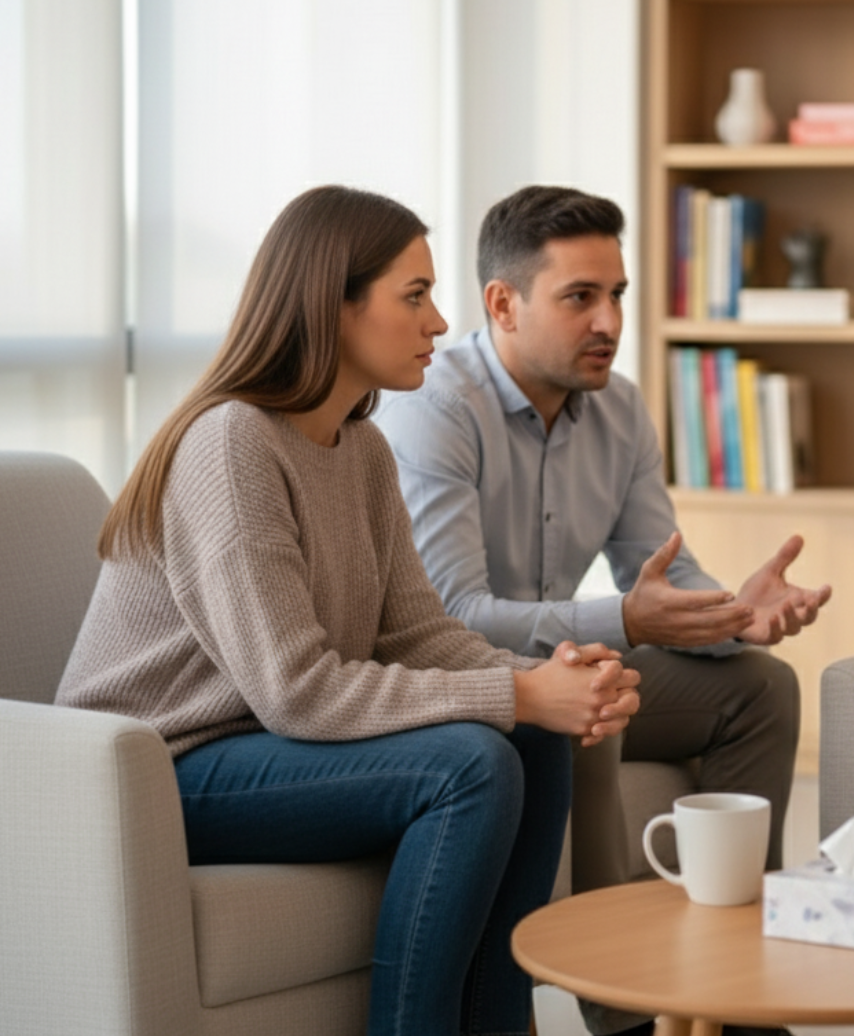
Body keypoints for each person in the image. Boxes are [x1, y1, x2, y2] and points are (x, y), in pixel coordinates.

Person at [55, 185, 640, 1036]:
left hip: (258, 739)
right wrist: (515, 695)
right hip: (161, 767)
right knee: (472, 762)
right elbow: (298, 690)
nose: (441, 322)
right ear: (333, 308)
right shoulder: (232, 444)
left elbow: (416, 633)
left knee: (537, 738)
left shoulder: (361, 448)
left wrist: (548, 681)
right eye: (415, 297)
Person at [375, 184, 831, 1036]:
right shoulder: (435, 408)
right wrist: (622, 624)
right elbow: (453, 621)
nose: (610, 323)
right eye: (579, 297)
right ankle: (621, 1012)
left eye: (617, 295)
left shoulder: (618, 409)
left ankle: (737, 994)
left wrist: (732, 613)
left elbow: (658, 570)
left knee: (760, 688)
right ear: (502, 305)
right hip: (464, 685)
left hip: (569, 663)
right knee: (591, 686)